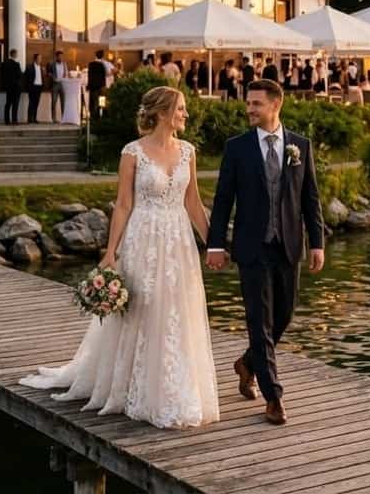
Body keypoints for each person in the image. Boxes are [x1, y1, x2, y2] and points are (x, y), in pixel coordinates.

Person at [20, 87, 219, 429]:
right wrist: (110, 252)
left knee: (175, 311)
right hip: (142, 239)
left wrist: (214, 244)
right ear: (161, 113)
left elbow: (193, 203)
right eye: (181, 109)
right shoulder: (133, 153)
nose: (186, 114)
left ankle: (173, 386)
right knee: (143, 308)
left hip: (178, 242)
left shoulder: (188, 152)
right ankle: (131, 385)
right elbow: (124, 204)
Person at [207, 79, 325, 426]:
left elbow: (311, 198)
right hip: (251, 246)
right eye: (249, 103)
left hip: (289, 244)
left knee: (284, 315)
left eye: (256, 103)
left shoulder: (300, 145)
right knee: (259, 321)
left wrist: (316, 242)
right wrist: (216, 244)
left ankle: (247, 363)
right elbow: (223, 200)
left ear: (276, 105)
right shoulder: (237, 147)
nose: (250, 109)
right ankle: (274, 397)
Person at [1, 49, 23, 125]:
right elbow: (20, 75)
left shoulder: (4, 64)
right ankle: (14, 120)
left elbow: (3, 75)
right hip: (16, 87)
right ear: (14, 54)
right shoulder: (17, 64)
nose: (17, 55)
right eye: (16, 54)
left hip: (8, 87)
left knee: (8, 103)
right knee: (15, 104)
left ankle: (6, 120)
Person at [87, 49, 107, 120]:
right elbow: (106, 74)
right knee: (102, 102)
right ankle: (102, 117)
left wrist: (88, 86)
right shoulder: (103, 64)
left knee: (94, 102)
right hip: (101, 87)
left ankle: (94, 118)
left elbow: (89, 76)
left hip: (93, 87)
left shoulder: (91, 64)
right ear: (102, 56)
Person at [24, 54, 44, 123]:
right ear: (35, 59)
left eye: (41, 58)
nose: (40, 60)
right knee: (31, 103)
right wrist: (28, 87)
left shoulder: (41, 67)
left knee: (36, 103)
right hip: (32, 87)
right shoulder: (30, 67)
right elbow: (26, 77)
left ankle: (35, 118)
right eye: (39, 58)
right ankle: (29, 119)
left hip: (39, 87)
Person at [49, 50, 68, 123]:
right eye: (59, 56)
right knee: (54, 102)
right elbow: (49, 73)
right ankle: (54, 119)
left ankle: (64, 118)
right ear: (56, 56)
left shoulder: (64, 64)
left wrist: (66, 75)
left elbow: (66, 72)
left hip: (63, 84)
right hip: (55, 84)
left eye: (62, 56)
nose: (61, 57)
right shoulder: (52, 64)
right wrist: (53, 77)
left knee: (63, 102)